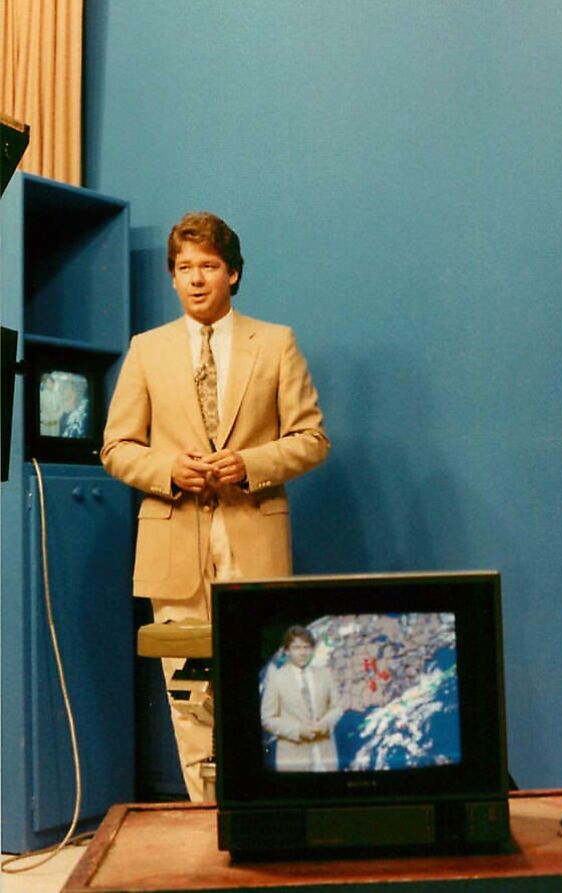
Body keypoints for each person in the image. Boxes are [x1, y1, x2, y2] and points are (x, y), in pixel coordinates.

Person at [101, 211, 330, 799]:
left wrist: (250, 464)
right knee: (188, 698)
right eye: (184, 268)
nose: (196, 278)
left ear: (233, 273)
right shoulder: (146, 350)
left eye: (208, 265)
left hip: (253, 542)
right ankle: (207, 824)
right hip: (174, 550)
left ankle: (260, 820)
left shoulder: (275, 343)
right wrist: (167, 470)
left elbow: (312, 439)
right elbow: (116, 448)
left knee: (263, 688)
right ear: (172, 277)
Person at [261, 626, 342, 771]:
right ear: (287, 651)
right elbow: (267, 718)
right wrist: (298, 730)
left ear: (312, 650)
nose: (302, 653)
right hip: (293, 761)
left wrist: (326, 723)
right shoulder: (276, 679)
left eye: (306, 647)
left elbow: (337, 707)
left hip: (326, 758)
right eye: (297, 648)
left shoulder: (325, 674)